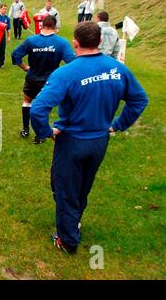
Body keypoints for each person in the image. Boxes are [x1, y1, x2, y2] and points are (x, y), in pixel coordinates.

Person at [30, 21, 148, 254]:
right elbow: (139, 99)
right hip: (99, 141)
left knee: (65, 188)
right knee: (83, 185)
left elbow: (37, 108)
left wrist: (46, 132)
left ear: (75, 42)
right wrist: (116, 126)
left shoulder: (66, 72)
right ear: (99, 42)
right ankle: (74, 221)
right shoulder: (117, 69)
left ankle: (68, 240)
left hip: (72, 141)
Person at [12, 15, 75, 143]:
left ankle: (25, 130)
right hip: (50, 82)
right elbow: (72, 62)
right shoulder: (61, 42)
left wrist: (25, 67)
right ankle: (40, 135)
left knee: (27, 102)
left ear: (41, 25)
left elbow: (15, 55)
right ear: (55, 27)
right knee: (43, 107)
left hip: (32, 78)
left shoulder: (31, 40)